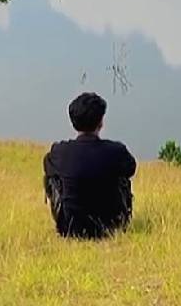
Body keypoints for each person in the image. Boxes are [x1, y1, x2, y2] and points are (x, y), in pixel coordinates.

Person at [43, 92, 137, 238]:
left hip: (70, 228)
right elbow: (131, 169)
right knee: (122, 178)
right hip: (111, 225)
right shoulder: (116, 151)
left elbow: (47, 167)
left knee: (52, 178)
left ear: (73, 123)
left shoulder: (60, 152)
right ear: (101, 122)